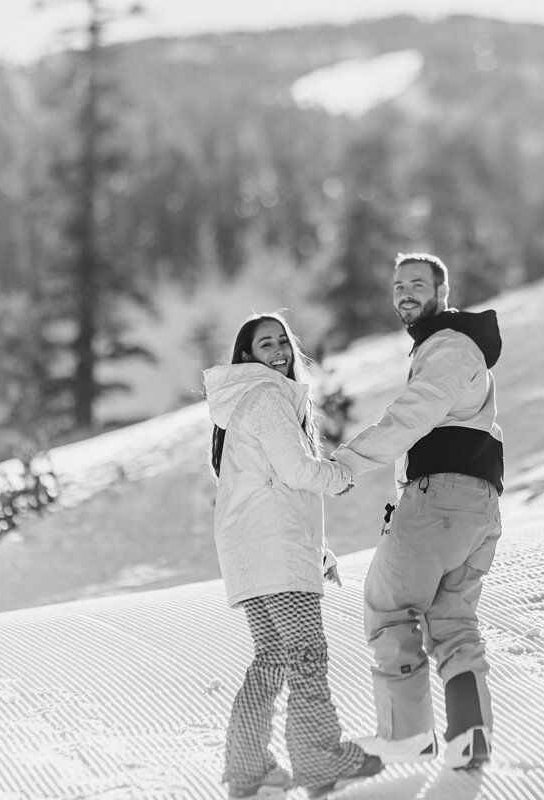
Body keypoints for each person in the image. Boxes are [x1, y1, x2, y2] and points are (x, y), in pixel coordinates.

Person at [330, 253, 504, 770]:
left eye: (417, 284)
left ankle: (406, 734)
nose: (405, 293)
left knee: (388, 603)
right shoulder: (455, 346)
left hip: (441, 500)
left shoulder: (448, 346)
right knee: (451, 619)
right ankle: (470, 738)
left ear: (443, 291)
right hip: (478, 507)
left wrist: (344, 465)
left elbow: (411, 415)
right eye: (398, 285)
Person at [203, 312, 381, 799]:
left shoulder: (248, 402)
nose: (279, 350)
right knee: (305, 656)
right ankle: (321, 762)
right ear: (247, 356)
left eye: (283, 340)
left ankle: (249, 770)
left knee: (272, 659)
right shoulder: (265, 397)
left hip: (253, 550)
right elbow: (298, 472)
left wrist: (316, 550)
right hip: (275, 550)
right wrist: (340, 476)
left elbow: (274, 484)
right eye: (266, 344)